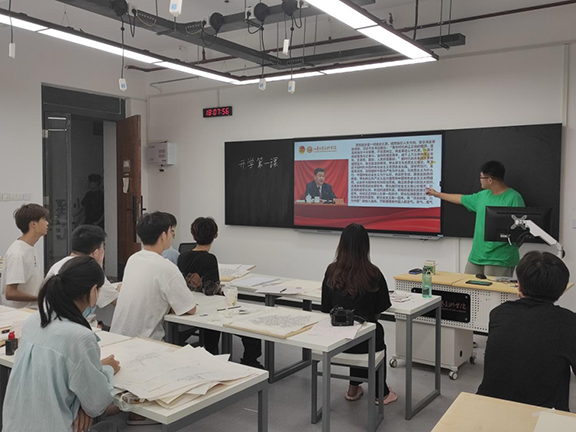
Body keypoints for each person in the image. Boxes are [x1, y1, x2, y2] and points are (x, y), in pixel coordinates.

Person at [2, 256, 121, 432]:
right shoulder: (80, 337)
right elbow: (97, 403)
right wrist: (108, 369)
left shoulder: (34, 321)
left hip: (13, 427)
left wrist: (82, 401)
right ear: (93, 291)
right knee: (111, 426)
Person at [477, 251, 575, 410]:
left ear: (519, 284)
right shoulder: (569, 322)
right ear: (562, 289)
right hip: (543, 414)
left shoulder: (499, 313)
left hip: (489, 405)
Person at [321, 223, 397, 404]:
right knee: (371, 330)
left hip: (336, 340)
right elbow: (379, 309)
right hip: (365, 341)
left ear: (342, 244)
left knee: (354, 329)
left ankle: (353, 388)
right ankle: (381, 393)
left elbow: (325, 308)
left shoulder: (331, 271)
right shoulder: (373, 273)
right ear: (365, 246)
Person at [178, 217, 263, 368]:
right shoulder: (210, 258)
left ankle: (212, 357)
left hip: (190, 305)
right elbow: (210, 289)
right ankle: (249, 361)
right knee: (250, 330)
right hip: (209, 309)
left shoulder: (182, 257)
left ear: (193, 235)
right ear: (215, 235)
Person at [426, 160, 524, 277]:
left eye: (481, 177)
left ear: (490, 180)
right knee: (467, 286)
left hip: (500, 259)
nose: (479, 180)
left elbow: (520, 230)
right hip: (476, 257)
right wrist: (437, 194)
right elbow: (460, 199)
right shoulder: (482, 196)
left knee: (494, 289)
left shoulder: (514, 198)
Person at [111, 212, 196, 340]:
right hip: (145, 343)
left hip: (118, 337)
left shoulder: (133, 259)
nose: (172, 235)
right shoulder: (167, 267)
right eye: (171, 231)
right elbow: (190, 308)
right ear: (163, 235)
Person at [44, 225, 121, 328]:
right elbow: (119, 302)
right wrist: (120, 289)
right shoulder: (90, 270)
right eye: (103, 247)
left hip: (53, 324)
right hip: (80, 327)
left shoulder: (57, 265)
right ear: (95, 252)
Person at [1, 204, 49, 309]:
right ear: (33, 224)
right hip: (19, 313)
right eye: (44, 219)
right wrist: (39, 298)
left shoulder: (29, 247)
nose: (47, 223)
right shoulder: (17, 254)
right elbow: (10, 293)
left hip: (32, 310)